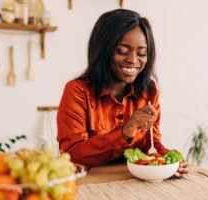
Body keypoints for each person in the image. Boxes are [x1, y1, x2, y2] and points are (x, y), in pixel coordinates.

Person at [57, 9, 188, 177]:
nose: (133, 60)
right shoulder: (77, 91)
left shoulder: (149, 91)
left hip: (133, 183)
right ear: (103, 50)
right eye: (122, 51)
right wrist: (124, 133)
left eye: (141, 53)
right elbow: (71, 155)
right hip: (89, 184)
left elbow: (151, 144)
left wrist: (168, 160)